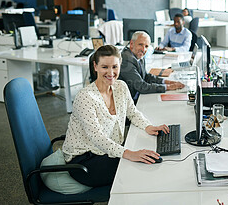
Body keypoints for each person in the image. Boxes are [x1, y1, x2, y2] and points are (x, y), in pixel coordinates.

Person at [62, 45, 170, 187]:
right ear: (95, 66)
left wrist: (148, 126)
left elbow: (132, 112)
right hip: (85, 160)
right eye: (105, 67)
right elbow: (97, 137)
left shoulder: (120, 87)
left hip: (107, 151)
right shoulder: (85, 97)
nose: (111, 72)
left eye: (115, 67)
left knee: (148, 158)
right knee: (138, 169)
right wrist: (129, 153)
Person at [119, 31, 185, 101]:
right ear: (131, 44)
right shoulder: (126, 59)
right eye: (140, 44)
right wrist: (169, 87)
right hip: (128, 101)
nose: (143, 49)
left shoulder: (138, 55)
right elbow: (141, 86)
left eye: (146, 46)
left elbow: (146, 77)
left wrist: (167, 82)